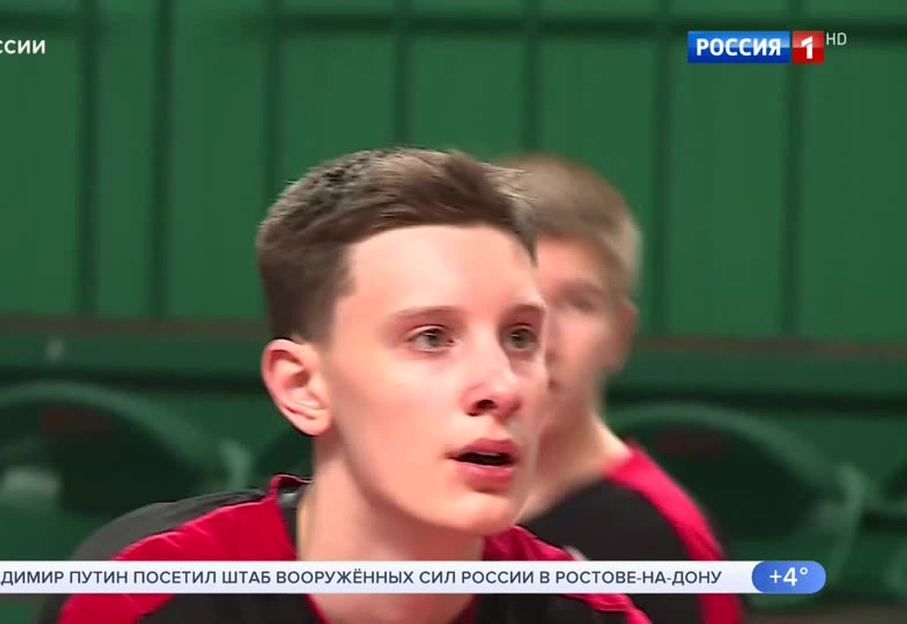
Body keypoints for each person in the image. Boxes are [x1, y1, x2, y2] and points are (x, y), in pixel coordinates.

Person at [42, 148, 649, 624]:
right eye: (431, 338)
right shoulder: (141, 599)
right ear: (303, 386)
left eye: (520, 337)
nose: (503, 387)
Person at [501, 153, 745, 624]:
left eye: (578, 304)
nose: (543, 339)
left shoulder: (668, 539)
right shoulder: (414, 503)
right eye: (519, 304)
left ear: (619, 334)